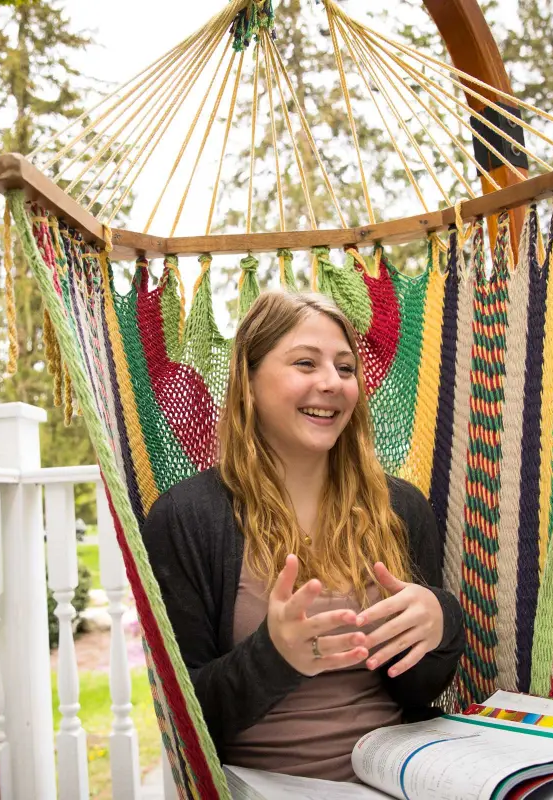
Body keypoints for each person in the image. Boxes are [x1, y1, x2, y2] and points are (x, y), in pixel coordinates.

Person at [141, 290, 465, 783]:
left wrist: (441, 623)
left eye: (345, 367)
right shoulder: (187, 518)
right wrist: (276, 655)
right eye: (305, 363)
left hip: (400, 778)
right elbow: (188, 715)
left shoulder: (401, 508)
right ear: (248, 382)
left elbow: (419, 691)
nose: (332, 383)